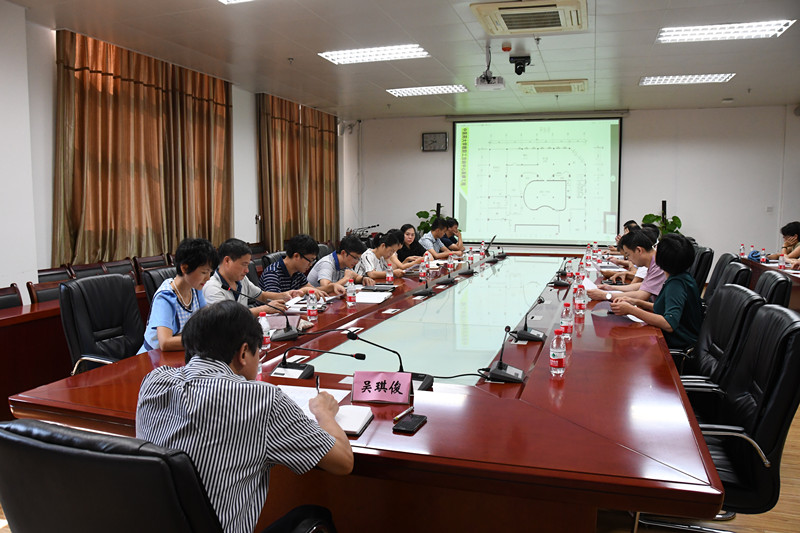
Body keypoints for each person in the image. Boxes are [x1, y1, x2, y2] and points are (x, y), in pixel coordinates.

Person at [136, 301, 353, 533]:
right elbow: (343, 462)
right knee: (313, 515)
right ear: (243, 353)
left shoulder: (153, 382)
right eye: (258, 353)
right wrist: (323, 412)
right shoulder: (262, 400)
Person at [611, 233, 703, 349]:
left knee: (627, 340)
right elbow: (664, 308)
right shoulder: (680, 277)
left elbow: (669, 324)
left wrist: (631, 310)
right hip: (672, 337)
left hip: (678, 342)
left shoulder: (676, 284)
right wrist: (636, 302)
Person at [140, 238, 217, 353]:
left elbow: (206, 324)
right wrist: (204, 340)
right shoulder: (165, 297)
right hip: (153, 357)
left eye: (210, 272)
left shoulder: (196, 290)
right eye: (204, 272)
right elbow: (165, 343)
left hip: (181, 352)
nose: (208, 278)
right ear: (184, 268)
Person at [203, 238, 289, 316]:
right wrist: (265, 309)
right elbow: (229, 317)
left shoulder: (241, 279)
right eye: (244, 264)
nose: (247, 270)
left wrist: (285, 295)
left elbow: (262, 296)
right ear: (227, 260)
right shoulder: (212, 287)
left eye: (248, 265)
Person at [588, 229, 666, 302]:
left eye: (628, 255)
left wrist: (606, 295)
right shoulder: (653, 260)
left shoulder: (658, 264)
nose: (628, 259)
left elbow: (641, 295)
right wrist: (611, 287)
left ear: (639, 250)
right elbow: (644, 285)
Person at [259, 234, 344, 296]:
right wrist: (304, 291)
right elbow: (275, 302)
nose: (310, 265)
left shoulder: (297, 272)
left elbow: (313, 290)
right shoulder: (273, 273)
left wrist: (332, 286)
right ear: (296, 256)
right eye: (310, 260)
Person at [307, 235, 376, 289]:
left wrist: (363, 279)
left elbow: (355, 276)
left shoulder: (346, 263)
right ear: (343, 253)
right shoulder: (327, 263)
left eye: (359, 259)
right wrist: (346, 278)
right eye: (355, 258)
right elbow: (325, 287)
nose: (357, 262)